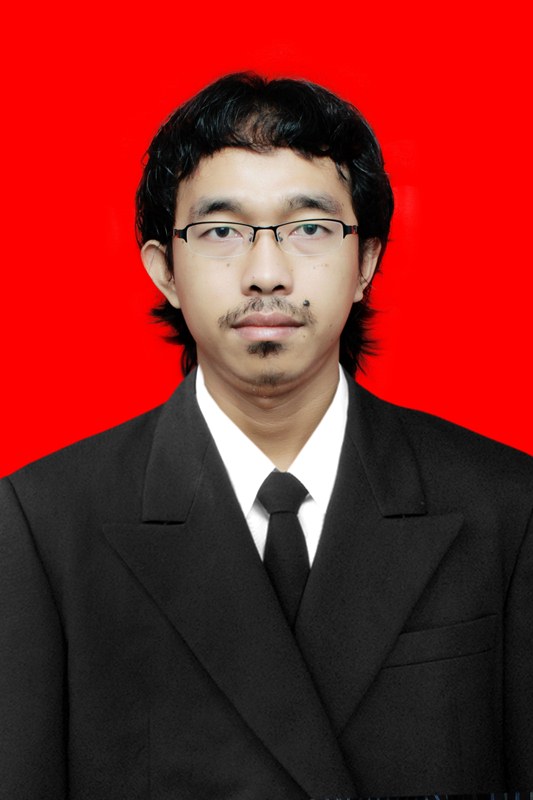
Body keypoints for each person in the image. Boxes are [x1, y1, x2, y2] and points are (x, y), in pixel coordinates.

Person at [1, 73, 532, 800]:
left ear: (366, 262)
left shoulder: (506, 507)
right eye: (221, 232)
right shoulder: (44, 523)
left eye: (309, 228)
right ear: (164, 270)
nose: (266, 274)